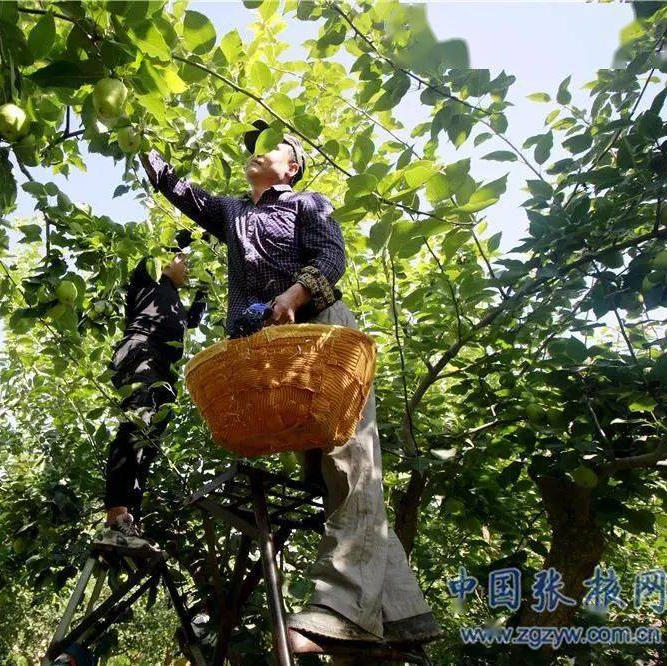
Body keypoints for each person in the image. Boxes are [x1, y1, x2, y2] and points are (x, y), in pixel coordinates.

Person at [137, 121, 442, 653]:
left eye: (269, 146)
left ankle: (341, 608)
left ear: (292, 166)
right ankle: (399, 616)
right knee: (327, 478)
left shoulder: (308, 204)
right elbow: (178, 188)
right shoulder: (232, 212)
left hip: (323, 337)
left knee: (349, 460)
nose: (255, 152)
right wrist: (136, 136)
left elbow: (330, 260)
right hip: (275, 357)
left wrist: (294, 296)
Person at [93, 231, 207, 555]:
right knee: (136, 425)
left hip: (164, 371)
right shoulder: (149, 279)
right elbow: (160, 245)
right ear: (167, 258)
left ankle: (131, 522)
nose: (187, 266)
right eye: (183, 259)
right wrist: (198, 235)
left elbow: (193, 319)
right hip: (140, 352)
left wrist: (202, 291)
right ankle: (116, 516)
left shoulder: (173, 301)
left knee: (148, 445)